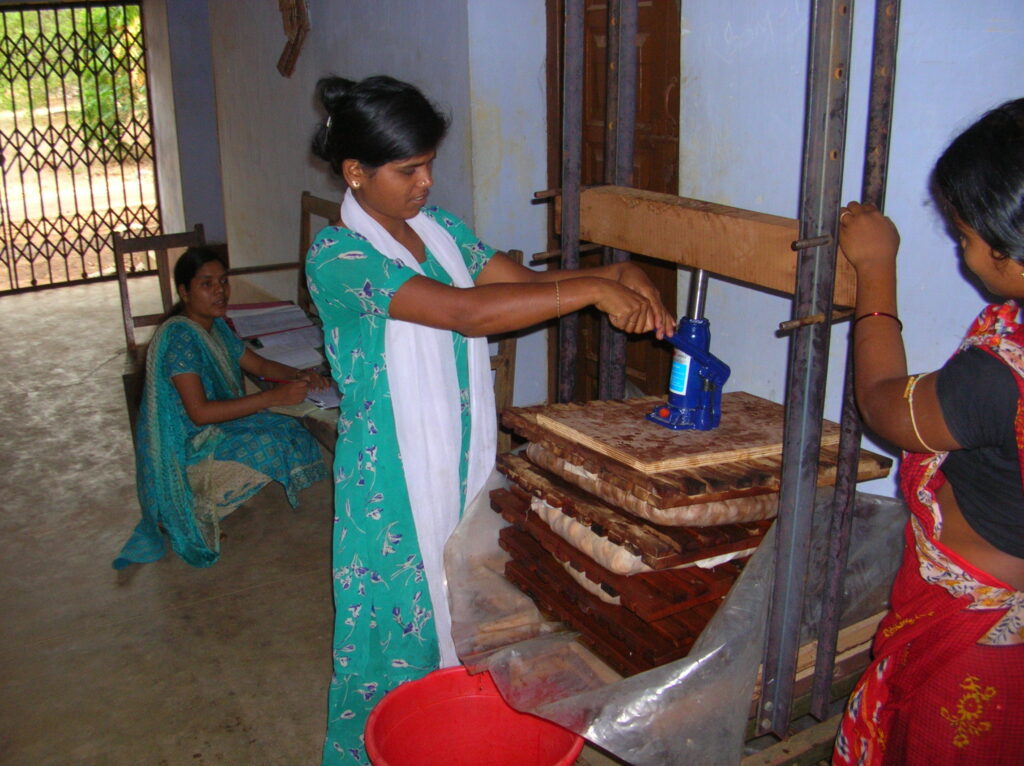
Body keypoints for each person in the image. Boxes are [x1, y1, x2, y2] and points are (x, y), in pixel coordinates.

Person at [306, 74, 675, 764]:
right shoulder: (338, 258)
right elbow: (463, 312)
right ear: (355, 173)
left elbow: (522, 286)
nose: (426, 182)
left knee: (469, 609)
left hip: (461, 462)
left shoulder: (440, 232)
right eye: (408, 169)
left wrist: (614, 273)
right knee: (398, 633)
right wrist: (594, 288)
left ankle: (453, 736)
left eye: (429, 164)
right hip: (391, 482)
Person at [834, 98, 1024, 765]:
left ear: (1010, 252)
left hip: (982, 632)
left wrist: (875, 269)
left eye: (964, 237)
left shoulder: (1002, 379)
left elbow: (886, 408)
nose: (963, 252)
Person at [113, 246, 331, 570]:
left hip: (211, 429)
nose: (220, 291)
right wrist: (271, 398)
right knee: (273, 442)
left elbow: (256, 362)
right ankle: (199, 500)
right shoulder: (181, 340)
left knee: (288, 430)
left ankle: (214, 490)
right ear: (184, 292)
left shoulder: (213, 327)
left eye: (224, 281)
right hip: (189, 447)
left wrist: (299, 374)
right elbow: (199, 413)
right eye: (207, 284)